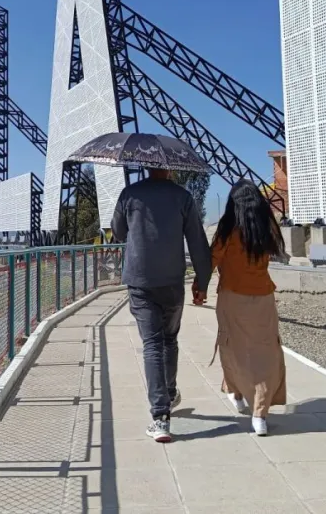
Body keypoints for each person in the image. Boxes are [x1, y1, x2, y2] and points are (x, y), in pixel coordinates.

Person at [111, 167, 212, 443]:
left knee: (152, 344)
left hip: (140, 280)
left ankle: (160, 417)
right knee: (169, 339)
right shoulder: (183, 197)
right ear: (169, 167)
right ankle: (168, 393)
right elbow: (198, 242)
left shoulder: (129, 194)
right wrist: (202, 282)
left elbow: (118, 232)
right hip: (172, 281)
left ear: (146, 166)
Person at [194, 180, 287, 436]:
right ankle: (260, 415)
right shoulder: (265, 228)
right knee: (265, 352)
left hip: (232, 297)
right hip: (263, 297)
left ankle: (236, 392)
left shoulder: (227, 230)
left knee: (232, 347)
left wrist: (199, 288)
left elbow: (211, 260)